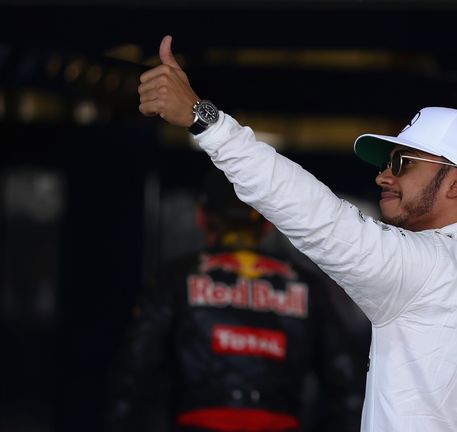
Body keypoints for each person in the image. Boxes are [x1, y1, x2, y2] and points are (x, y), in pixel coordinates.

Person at [137, 35, 457, 431]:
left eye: (403, 162)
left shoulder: (429, 267)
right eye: (384, 163)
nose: (383, 177)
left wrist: (204, 120)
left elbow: (314, 214)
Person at [106, 168, 362, 432]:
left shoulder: (174, 279)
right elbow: (348, 391)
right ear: (267, 223)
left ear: (201, 217)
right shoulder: (308, 286)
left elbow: (133, 373)